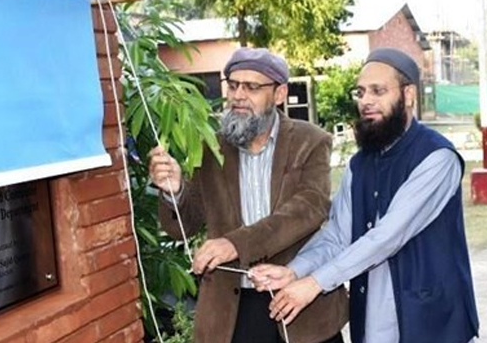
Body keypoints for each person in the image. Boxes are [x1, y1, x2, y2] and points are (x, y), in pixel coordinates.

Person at [249, 47, 479, 343]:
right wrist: (294, 271)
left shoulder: (437, 158)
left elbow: (386, 237)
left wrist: (315, 283)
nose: (366, 101)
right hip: (372, 320)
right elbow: (337, 236)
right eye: (361, 92)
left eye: (378, 91)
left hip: (431, 322)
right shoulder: (360, 164)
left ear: (408, 95)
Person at [148, 47, 347, 343]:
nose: (239, 95)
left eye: (252, 87)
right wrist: (173, 192)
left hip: (301, 305)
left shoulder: (311, 141)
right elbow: (182, 226)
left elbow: (308, 208)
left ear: (279, 94)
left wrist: (234, 244)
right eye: (233, 84)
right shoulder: (210, 146)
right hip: (233, 308)